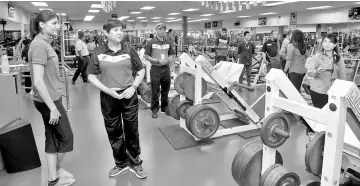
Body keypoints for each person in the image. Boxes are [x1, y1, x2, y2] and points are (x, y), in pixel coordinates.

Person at [87, 18, 146, 179]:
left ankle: (135, 163)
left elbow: (140, 71)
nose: (120, 32)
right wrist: (108, 91)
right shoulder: (98, 51)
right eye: (115, 30)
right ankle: (120, 163)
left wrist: (133, 87)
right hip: (109, 98)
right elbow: (91, 76)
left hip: (129, 96)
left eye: (121, 29)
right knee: (114, 132)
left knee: (132, 131)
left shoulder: (129, 49)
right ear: (106, 33)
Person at [28, 10, 75, 186]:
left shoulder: (44, 43)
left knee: (52, 137)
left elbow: (39, 76)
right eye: (54, 23)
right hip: (50, 102)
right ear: (42, 25)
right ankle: (55, 172)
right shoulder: (40, 45)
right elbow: (39, 81)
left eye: (58, 23)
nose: (58, 26)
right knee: (66, 137)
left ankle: (53, 179)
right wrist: (53, 108)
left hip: (50, 97)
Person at [305, 33, 346, 108]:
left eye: (330, 42)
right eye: (325, 41)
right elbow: (309, 72)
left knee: (332, 116)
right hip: (318, 91)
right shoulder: (317, 57)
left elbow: (343, 77)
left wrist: (343, 91)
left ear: (335, 44)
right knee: (320, 115)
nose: (327, 44)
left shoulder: (339, 59)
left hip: (334, 93)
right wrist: (316, 71)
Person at [144, 23, 175, 119]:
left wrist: (170, 60)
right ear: (156, 30)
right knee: (155, 91)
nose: (162, 31)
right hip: (156, 69)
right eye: (160, 29)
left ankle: (164, 108)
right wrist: (157, 61)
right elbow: (146, 56)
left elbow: (171, 54)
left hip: (166, 69)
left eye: (164, 29)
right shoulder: (151, 42)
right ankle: (154, 109)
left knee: (166, 89)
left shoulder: (168, 42)